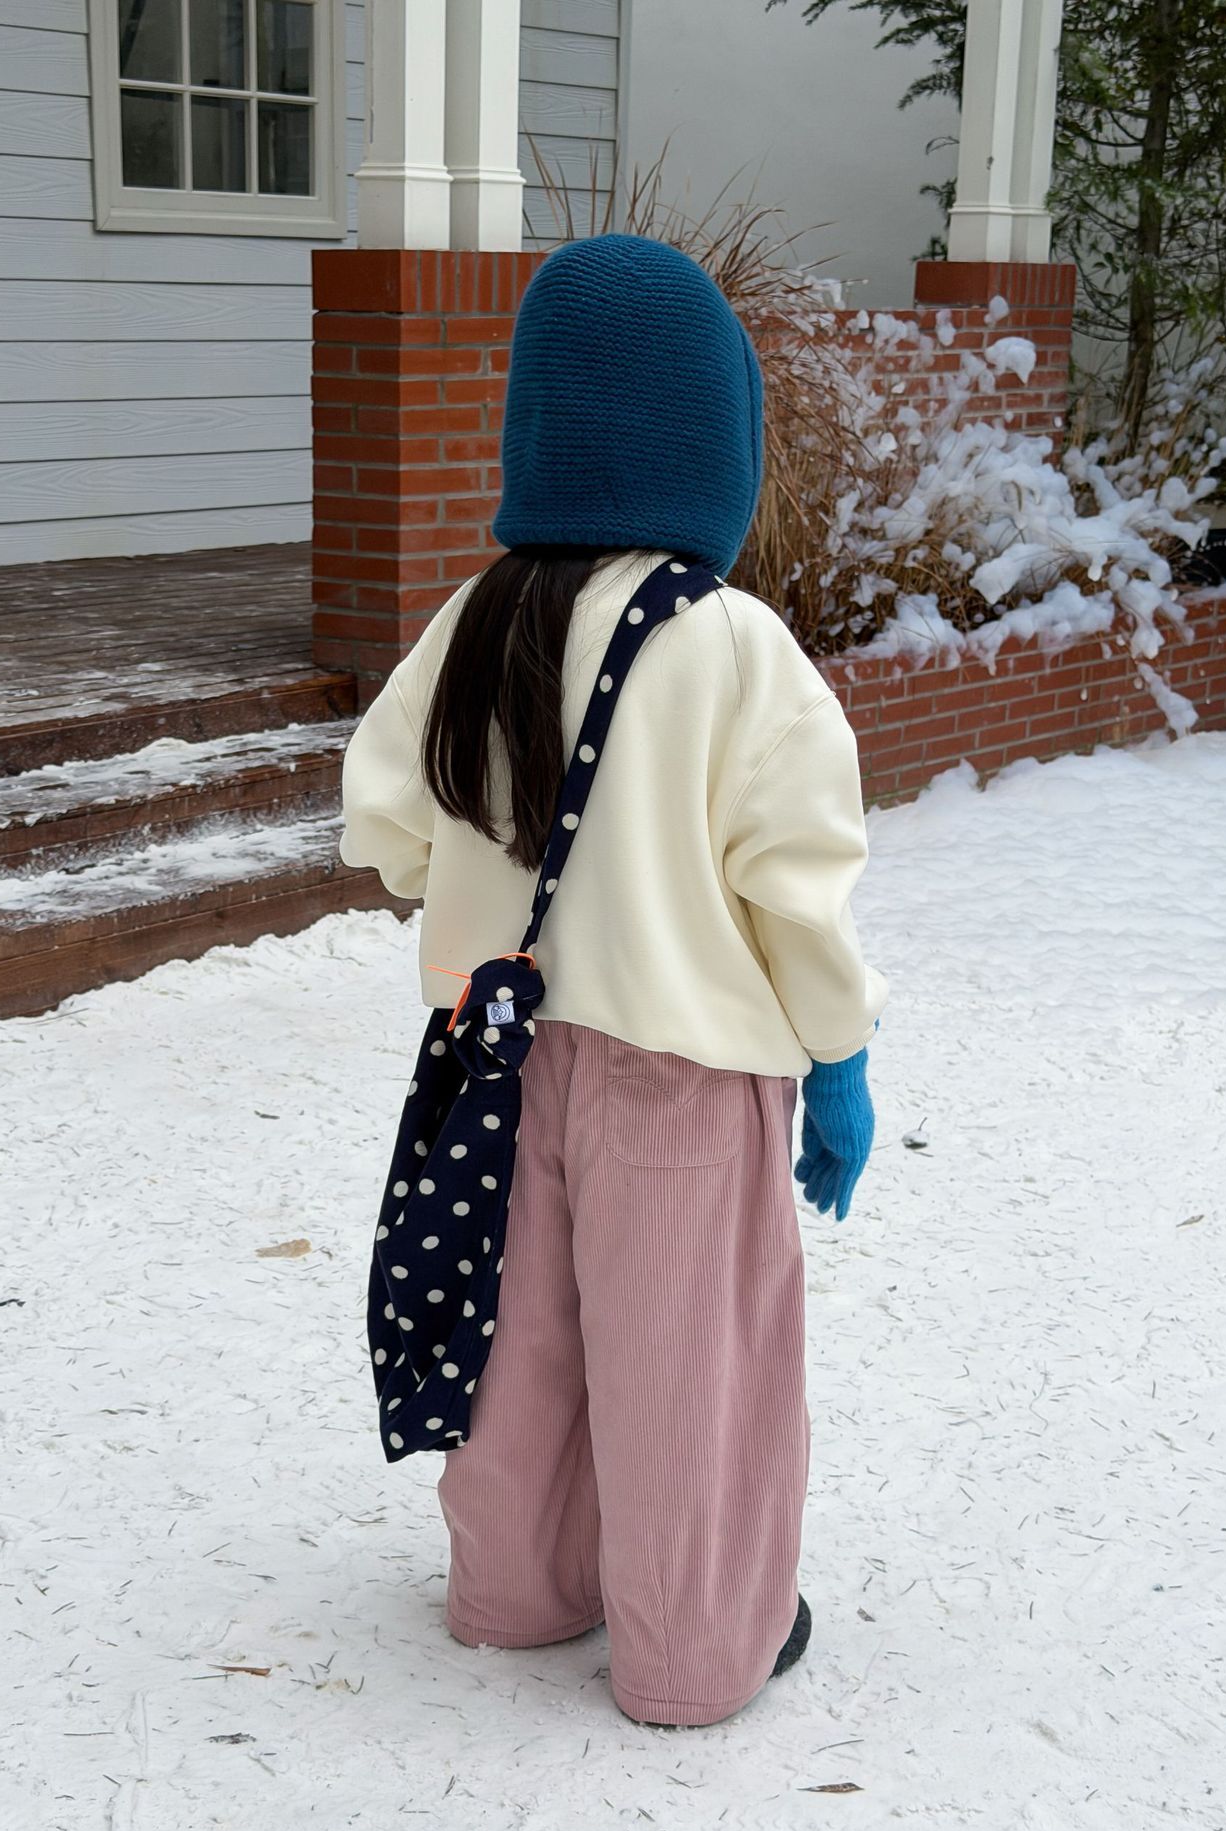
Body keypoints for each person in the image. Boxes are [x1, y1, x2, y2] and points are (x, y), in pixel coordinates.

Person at [339, 232, 887, 1729]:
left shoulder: (479, 620)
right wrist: (836, 1054)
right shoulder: (733, 648)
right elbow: (795, 887)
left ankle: (514, 1591)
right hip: (683, 1069)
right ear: (714, 437)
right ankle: (693, 1651)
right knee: (685, 1361)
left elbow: (384, 825)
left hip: (500, 1059)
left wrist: (478, 896)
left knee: (515, 1340)